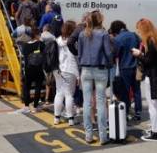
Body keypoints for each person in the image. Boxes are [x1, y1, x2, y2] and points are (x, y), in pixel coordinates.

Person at [78, 10, 112, 145]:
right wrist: (109, 63)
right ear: (100, 20)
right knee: (101, 102)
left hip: (85, 69)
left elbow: (79, 54)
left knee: (86, 103)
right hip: (100, 68)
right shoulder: (103, 33)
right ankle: (103, 135)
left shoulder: (82, 34)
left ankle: (88, 135)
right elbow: (108, 52)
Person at [132, 18, 157, 142]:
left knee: (152, 105)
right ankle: (154, 129)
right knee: (155, 105)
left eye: (139, 29)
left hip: (152, 76)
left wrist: (139, 54)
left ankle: (155, 132)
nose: (138, 32)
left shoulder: (150, 41)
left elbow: (148, 61)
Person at [110, 20, 142, 121]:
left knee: (125, 91)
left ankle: (126, 112)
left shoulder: (118, 38)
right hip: (136, 66)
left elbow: (115, 53)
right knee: (137, 90)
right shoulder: (134, 35)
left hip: (125, 67)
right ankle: (138, 112)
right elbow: (141, 47)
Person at [53, 20, 79, 126]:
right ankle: (71, 119)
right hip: (70, 69)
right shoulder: (74, 41)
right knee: (69, 94)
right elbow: (76, 57)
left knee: (59, 93)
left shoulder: (57, 40)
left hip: (58, 69)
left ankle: (56, 118)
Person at [20, 27, 45, 114]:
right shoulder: (40, 44)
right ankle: (35, 106)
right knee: (38, 87)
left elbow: (24, 56)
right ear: (36, 35)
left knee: (27, 87)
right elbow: (44, 54)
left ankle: (26, 106)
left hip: (28, 69)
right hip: (38, 68)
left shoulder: (25, 45)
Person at [41, 24, 56, 105]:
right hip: (52, 61)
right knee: (51, 80)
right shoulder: (53, 37)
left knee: (47, 80)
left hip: (44, 61)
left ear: (44, 28)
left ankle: (46, 98)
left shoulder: (42, 36)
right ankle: (52, 97)